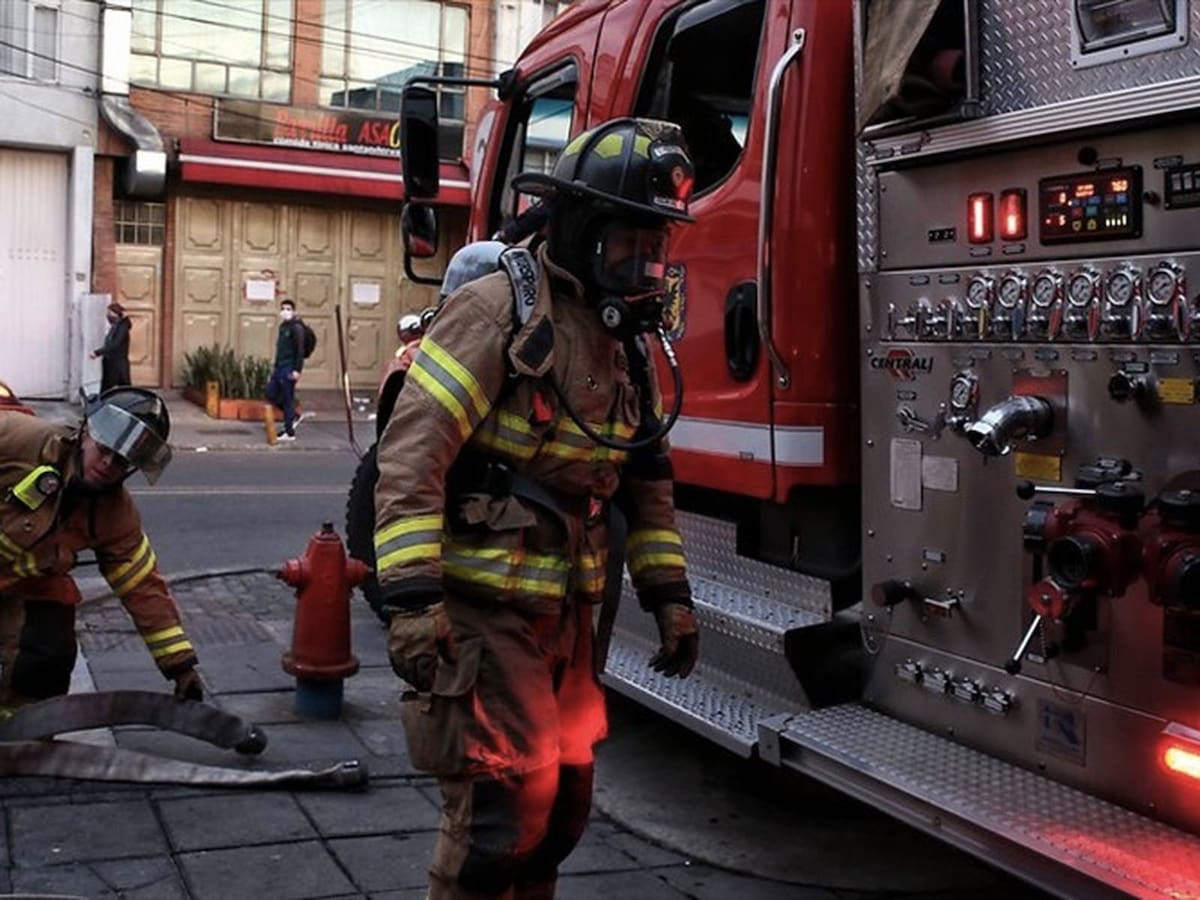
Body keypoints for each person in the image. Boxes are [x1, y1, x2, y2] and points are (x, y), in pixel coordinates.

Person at [374, 118, 700, 900]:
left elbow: (644, 478)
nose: (644, 265)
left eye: (655, 246)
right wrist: (414, 602)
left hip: (570, 614)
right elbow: (412, 455)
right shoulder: (497, 313)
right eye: (628, 243)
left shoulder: (625, 340)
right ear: (582, 227)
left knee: (561, 815)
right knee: (501, 818)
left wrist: (669, 595)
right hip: (485, 610)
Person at [0, 387, 202, 712]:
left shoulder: (114, 513)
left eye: (122, 461)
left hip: (25, 587)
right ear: (86, 433)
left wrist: (181, 667)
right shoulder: (21, 440)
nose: (108, 464)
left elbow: (141, 585)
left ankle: (23, 732)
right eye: (105, 449)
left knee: (48, 655)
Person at [266, 298, 304, 442]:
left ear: (293, 311)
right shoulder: (283, 327)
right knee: (270, 393)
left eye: (288, 309)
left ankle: (289, 432)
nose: (285, 312)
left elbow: (300, 351)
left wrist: (297, 370)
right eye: (283, 309)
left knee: (288, 398)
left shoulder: (297, 328)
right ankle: (292, 416)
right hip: (280, 368)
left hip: (289, 368)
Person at [91, 302, 132, 393]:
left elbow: (115, 344)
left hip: (117, 365)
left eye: (110, 313)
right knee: (109, 390)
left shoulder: (122, 327)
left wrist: (97, 352)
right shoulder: (116, 326)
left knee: (118, 391)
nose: (108, 316)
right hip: (111, 363)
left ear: (116, 314)